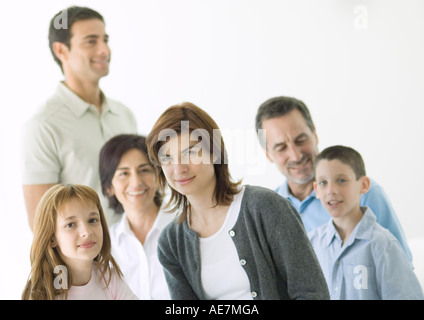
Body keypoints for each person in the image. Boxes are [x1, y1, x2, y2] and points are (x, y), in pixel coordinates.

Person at [146, 102, 330, 300]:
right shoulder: (171, 242)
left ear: (214, 152)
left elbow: (311, 293)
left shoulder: (266, 207)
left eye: (190, 152)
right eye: (167, 158)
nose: (179, 168)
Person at [21, 6, 138, 230]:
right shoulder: (43, 126)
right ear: (61, 51)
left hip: (133, 256)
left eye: (105, 39)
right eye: (91, 41)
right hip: (84, 261)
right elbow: (41, 225)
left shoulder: (124, 115)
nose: (104, 50)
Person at [255, 96, 412, 261]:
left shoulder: (364, 192)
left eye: (301, 140)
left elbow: (400, 264)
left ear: (315, 134)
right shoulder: (267, 211)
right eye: (281, 148)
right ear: (267, 154)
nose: (296, 155)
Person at [308, 145, 423, 299]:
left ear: (363, 185)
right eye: (323, 183)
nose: (331, 191)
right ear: (316, 189)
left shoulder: (382, 244)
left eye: (341, 180)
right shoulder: (312, 243)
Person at [22, 184, 138, 300]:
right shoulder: (44, 295)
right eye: (70, 224)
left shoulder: (109, 278)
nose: (86, 232)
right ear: (52, 238)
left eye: (92, 220)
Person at [99, 134, 174, 299]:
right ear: (109, 187)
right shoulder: (104, 246)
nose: (136, 182)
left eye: (144, 170)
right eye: (123, 174)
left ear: (158, 176)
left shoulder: (185, 228)